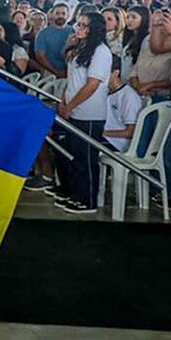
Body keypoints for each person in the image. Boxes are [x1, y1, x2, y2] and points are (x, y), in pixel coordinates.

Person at [51, 12, 111, 214]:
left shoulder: (101, 51)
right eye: (79, 24)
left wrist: (71, 105)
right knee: (75, 155)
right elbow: (73, 79)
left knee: (86, 157)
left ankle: (88, 200)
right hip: (74, 108)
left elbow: (92, 84)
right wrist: (64, 100)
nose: (79, 28)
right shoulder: (80, 48)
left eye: (85, 26)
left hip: (90, 112)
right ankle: (76, 194)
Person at [129, 8, 171, 102]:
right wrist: (138, 86)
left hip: (164, 97)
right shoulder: (147, 39)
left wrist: (150, 84)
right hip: (140, 94)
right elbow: (136, 69)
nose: (162, 25)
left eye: (166, 21)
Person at [102, 53, 142, 153]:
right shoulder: (104, 92)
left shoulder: (128, 96)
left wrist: (104, 133)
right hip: (105, 137)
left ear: (115, 73)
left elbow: (130, 132)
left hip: (117, 143)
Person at [34, 3, 74, 77]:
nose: (60, 16)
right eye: (57, 13)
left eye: (63, 13)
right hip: (49, 72)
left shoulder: (74, 31)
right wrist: (55, 72)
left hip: (71, 72)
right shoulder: (42, 34)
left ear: (68, 15)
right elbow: (40, 56)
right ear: (52, 15)